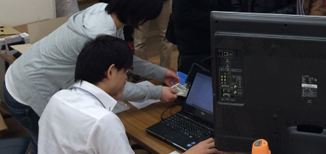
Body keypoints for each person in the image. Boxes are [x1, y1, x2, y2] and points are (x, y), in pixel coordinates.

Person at [3, 0, 180, 153]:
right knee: (46, 145)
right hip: (26, 93)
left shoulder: (102, 10)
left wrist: (160, 72)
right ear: (140, 15)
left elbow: (121, 58)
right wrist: (157, 92)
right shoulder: (99, 35)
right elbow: (110, 86)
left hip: (20, 74)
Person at [38, 35, 220, 154]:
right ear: (110, 71)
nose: (126, 79)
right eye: (124, 72)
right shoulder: (103, 121)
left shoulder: (58, 98)